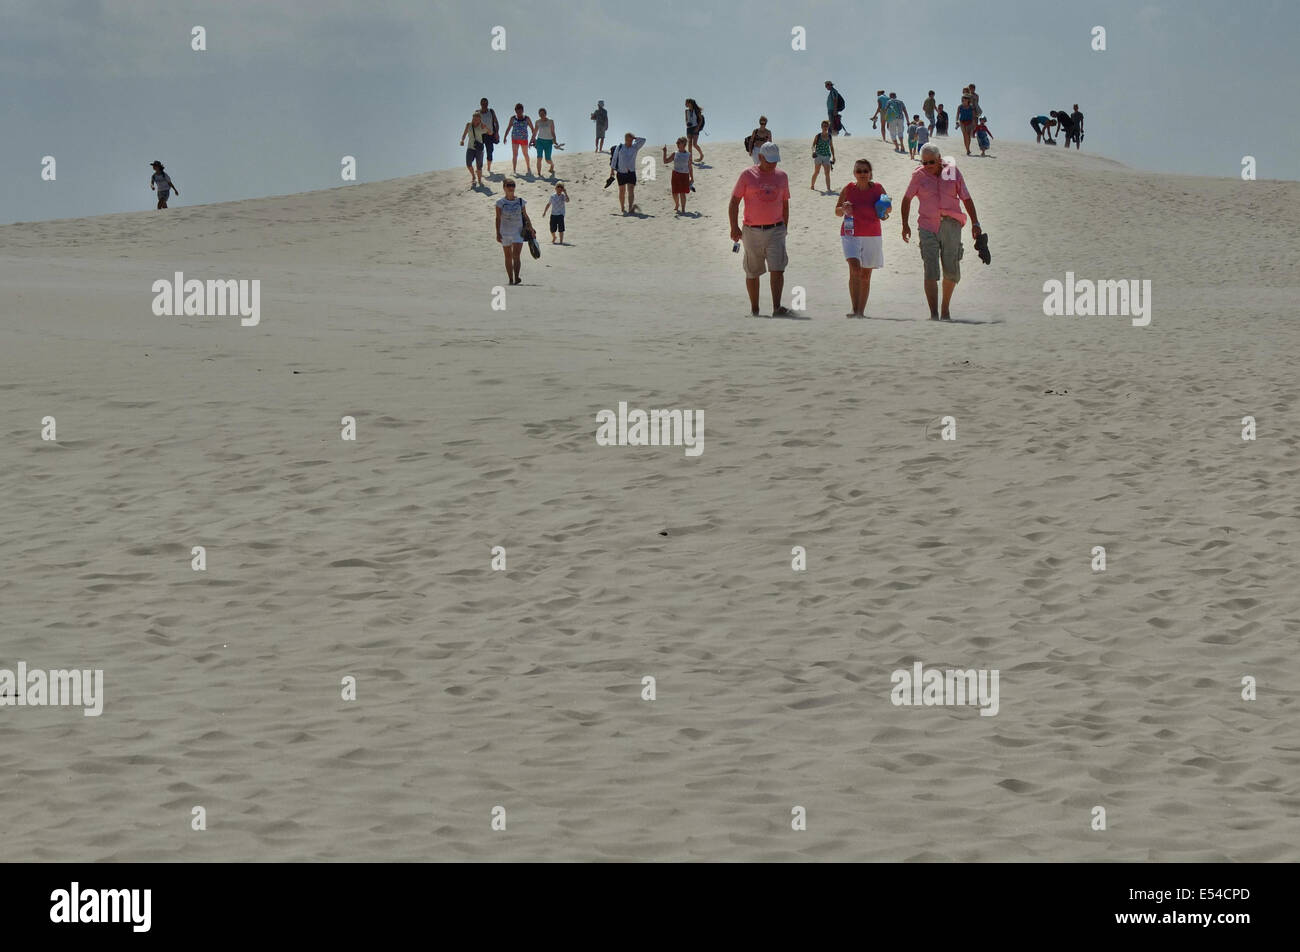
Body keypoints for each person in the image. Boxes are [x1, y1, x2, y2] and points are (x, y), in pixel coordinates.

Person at [901, 143, 982, 321]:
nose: (928, 166)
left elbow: (966, 197)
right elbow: (906, 199)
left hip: (951, 225)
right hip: (927, 226)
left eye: (931, 162)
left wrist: (975, 222)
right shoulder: (918, 175)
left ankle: (945, 309)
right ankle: (934, 314)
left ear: (939, 159)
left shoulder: (953, 172)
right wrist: (905, 224)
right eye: (925, 163)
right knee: (930, 270)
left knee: (951, 270)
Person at [728, 142, 792, 317]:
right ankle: (755, 310)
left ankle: (777, 308)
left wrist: (785, 226)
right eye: (769, 160)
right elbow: (734, 202)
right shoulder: (747, 175)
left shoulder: (782, 176)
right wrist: (734, 226)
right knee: (752, 271)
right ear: (761, 157)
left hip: (776, 229)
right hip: (751, 230)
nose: (772, 164)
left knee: (778, 268)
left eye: (775, 161)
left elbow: (785, 203)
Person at [835, 158, 887, 317]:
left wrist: (884, 210)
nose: (862, 174)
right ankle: (853, 308)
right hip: (850, 234)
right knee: (854, 269)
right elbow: (837, 211)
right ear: (854, 173)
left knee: (865, 275)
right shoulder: (848, 189)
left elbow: (888, 208)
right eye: (859, 171)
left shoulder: (878, 188)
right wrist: (843, 209)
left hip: (872, 234)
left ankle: (860, 311)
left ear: (870, 173)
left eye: (865, 171)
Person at [495, 179, 534, 285]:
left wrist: (531, 228)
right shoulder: (500, 203)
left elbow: (525, 215)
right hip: (505, 232)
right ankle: (510, 279)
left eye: (513, 185)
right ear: (504, 187)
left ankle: (516, 277)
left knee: (516, 256)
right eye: (509, 185)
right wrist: (497, 233)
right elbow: (498, 218)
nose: (511, 187)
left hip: (518, 232)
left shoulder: (520, 201)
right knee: (508, 257)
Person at [611, 132, 648, 214]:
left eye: (632, 140)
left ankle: (630, 208)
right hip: (621, 172)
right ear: (626, 140)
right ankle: (622, 207)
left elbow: (643, 140)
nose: (631, 142)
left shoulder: (635, 147)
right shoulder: (620, 147)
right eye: (629, 140)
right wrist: (612, 170)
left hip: (631, 172)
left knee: (631, 190)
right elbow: (614, 158)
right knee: (622, 191)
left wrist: (635, 138)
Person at [663, 138, 694, 214]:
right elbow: (665, 161)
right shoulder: (675, 153)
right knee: (674, 192)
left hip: (684, 175)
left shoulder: (688, 155)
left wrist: (692, 177)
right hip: (676, 174)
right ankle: (677, 204)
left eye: (678, 142)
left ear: (684, 144)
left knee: (682, 193)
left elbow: (690, 166)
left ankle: (683, 209)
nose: (677, 144)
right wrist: (664, 152)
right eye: (677, 142)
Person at [460, 113, 488, 187]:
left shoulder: (481, 126)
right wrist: (462, 140)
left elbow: (490, 132)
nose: (475, 120)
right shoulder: (468, 125)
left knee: (479, 166)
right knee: (468, 164)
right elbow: (464, 134)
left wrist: (486, 127)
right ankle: (473, 175)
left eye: (476, 119)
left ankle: (479, 180)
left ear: (479, 119)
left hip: (479, 149)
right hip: (470, 147)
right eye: (474, 118)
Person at [507, 103, 535, 175]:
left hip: (524, 139)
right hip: (515, 138)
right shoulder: (513, 118)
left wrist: (533, 138)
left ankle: (528, 168)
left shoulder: (527, 118)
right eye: (517, 111)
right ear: (515, 111)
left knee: (525, 154)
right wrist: (505, 137)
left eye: (520, 111)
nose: (519, 112)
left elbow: (532, 128)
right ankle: (514, 170)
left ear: (523, 110)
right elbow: (509, 127)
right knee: (515, 154)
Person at [531, 107, 560, 177]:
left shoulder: (551, 121)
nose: (542, 115)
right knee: (539, 157)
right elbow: (535, 132)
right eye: (540, 114)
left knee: (547, 159)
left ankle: (552, 165)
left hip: (549, 142)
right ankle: (539, 174)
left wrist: (555, 140)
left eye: (543, 114)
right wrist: (532, 140)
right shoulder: (537, 122)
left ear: (545, 114)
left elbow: (553, 132)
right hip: (540, 141)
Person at [810, 119, 836, 191]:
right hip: (818, 155)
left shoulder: (830, 136)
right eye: (824, 126)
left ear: (828, 127)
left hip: (826, 156)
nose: (825, 127)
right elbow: (813, 145)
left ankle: (828, 189)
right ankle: (812, 186)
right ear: (821, 127)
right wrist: (813, 151)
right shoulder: (818, 136)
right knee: (817, 172)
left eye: (826, 126)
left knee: (827, 173)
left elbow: (831, 147)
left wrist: (834, 156)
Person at [685, 98, 706, 163]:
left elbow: (701, 120)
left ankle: (701, 155)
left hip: (695, 127)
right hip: (689, 128)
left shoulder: (696, 110)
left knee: (694, 144)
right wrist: (687, 124)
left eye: (686, 103)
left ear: (690, 103)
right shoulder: (686, 111)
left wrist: (698, 127)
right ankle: (690, 159)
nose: (685, 104)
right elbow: (686, 119)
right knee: (689, 144)